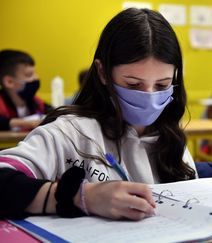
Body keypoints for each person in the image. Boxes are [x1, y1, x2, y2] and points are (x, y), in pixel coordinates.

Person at [0, 8, 196, 220]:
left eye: (162, 85)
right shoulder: (69, 133)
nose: (148, 97)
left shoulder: (171, 138)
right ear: (103, 72)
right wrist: (81, 197)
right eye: (133, 84)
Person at [0, 50, 52, 131]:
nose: (35, 78)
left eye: (35, 73)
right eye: (29, 75)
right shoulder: (1, 103)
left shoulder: (35, 101)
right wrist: (27, 123)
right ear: (9, 82)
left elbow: (52, 112)